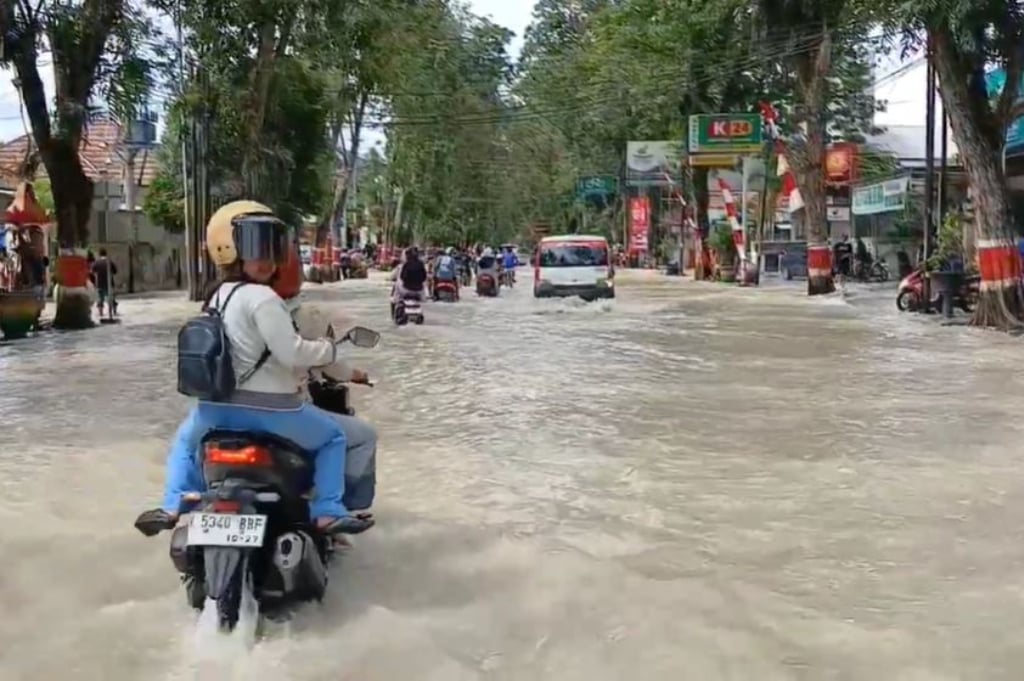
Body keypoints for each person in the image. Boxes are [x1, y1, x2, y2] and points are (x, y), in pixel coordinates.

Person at [150, 200, 373, 536]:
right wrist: (327, 350)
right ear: (236, 253)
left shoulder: (217, 296)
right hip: (272, 411)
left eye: (271, 250)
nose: (267, 260)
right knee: (333, 438)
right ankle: (327, 510)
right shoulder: (264, 299)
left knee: (184, 441)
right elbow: (292, 353)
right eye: (258, 251)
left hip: (216, 409)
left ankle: (174, 503)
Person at [91, 248, 118, 317]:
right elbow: (115, 272)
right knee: (111, 298)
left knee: (100, 298)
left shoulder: (96, 262)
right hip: (109, 283)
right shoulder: (110, 262)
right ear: (106, 254)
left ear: (99, 254)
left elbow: (92, 272)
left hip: (100, 283)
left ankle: (101, 313)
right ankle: (114, 311)